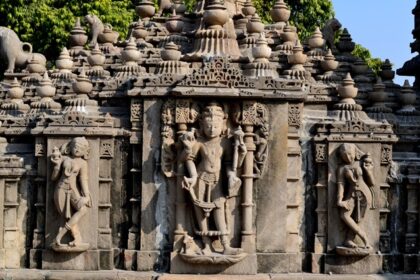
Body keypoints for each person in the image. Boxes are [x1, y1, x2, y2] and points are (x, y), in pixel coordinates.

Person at [181, 103, 245, 255]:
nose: (211, 129)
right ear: (202, 125)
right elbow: (188, 159)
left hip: (217, 181)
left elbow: (231, 164)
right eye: (208, 126)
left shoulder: (225, 143)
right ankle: (206, 244)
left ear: (222, 124)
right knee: (200, 211)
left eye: (215, 126)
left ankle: (225, 245)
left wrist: (232, 175)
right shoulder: (199, 143)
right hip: (200, 179)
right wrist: (193, 175)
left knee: (219, 209)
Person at [51, 137, 92, 249]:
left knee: (82, 210)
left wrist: (87, 195)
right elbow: (54, 178)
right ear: (70, 147)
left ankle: (59, 235)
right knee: (66, 216)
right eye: (75, 146)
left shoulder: (83, 163)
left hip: (73, 190)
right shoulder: (63, 158)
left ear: (85, 151)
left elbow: (83, 180)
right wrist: (56, 166)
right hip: (61, 189)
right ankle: (76, 238)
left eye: (81, 147)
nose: (77, 149)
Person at [336, 143, 375, 250]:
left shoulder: (361, 163)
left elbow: (372, 183)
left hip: (364, 194)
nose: (348, 158)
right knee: (344, 215)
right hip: (351, 194)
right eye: (344, 155)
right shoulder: (341, 168)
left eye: (350, 154)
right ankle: (363, 236)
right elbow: (341, 184)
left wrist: (368, 171)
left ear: (355, 153)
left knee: (358, 218)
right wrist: (339, 199)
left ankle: (349, 239)